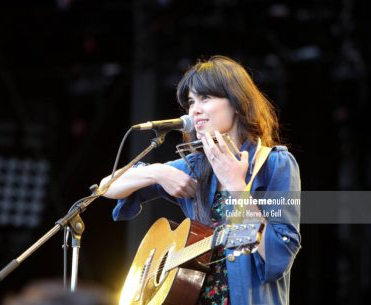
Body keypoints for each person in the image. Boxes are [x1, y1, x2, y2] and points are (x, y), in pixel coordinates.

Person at [101, 55, 301, 305]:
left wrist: (237, 186)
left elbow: (278, 258)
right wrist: (158, 172)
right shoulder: (195, 166)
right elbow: (107, 187)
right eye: (191, 102)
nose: (194, 110)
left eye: (206, 98)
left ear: (237, 102)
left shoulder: (274, 165)